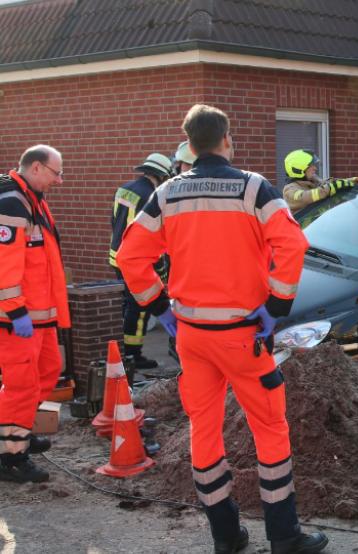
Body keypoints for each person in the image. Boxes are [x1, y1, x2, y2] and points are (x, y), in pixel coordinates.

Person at [116, 104, 328, 553]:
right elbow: (292, 243)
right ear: (227, 140)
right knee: (270, 428)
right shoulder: (254, 188)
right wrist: (277, 305)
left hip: (192, 336)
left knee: (204, 430)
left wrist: (160, 307)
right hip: (245, 335)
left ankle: (226, 537)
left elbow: (131, 256)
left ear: (189, 145)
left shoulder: (168, 193)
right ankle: (285, 537)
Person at [0, 145, 70, 484]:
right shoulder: (13, 203)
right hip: (17, 320)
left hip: (40, 317)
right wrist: (16, 312)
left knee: (46, 373)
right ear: (38, 167)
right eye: (56, 173)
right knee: (20, 386)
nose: (59, 180)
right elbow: (5, 267)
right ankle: (11, 457)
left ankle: (20, 431)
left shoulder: (33, 199)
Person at [108, 153, 173, 371]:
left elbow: (114, 219)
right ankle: (133, 355)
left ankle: (129, 353)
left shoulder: (124, 189)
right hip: (138, 259)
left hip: (117, 255)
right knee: (139, 306)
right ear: (162, 176)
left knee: (129, 303)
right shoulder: (151, 196)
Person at [282, 149, 354, 212]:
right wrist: (330, 188)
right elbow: (305, 197)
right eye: (311, 165)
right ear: (299, 169)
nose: (315, 168)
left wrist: (355, 180)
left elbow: (330, 183)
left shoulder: (313, 180)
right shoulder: (289, 191)